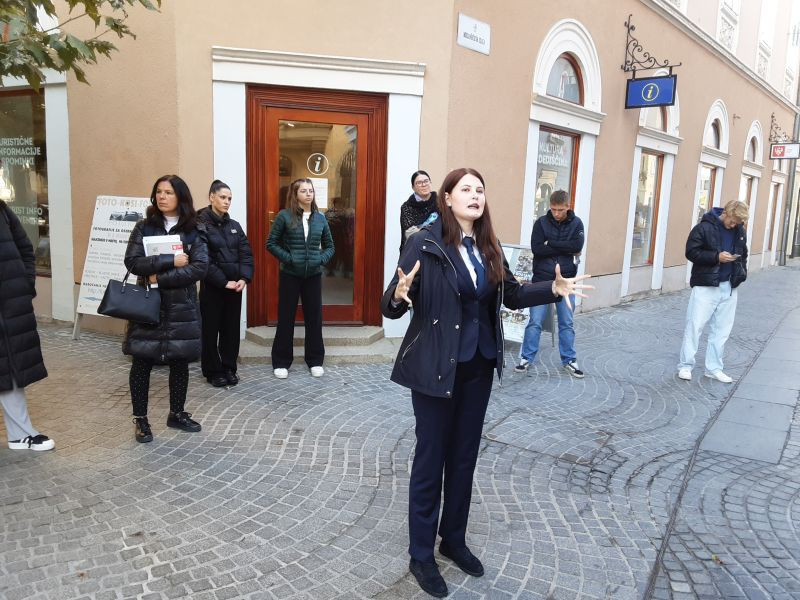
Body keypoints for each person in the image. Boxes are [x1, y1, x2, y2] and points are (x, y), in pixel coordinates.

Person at [382, 168, 592, 598]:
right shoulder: (424, 242)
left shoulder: (488, 244)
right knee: (430, 461)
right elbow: (391, 301)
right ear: (447, 197)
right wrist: (399, 296)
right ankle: (421, 555)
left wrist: (553, 290)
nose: (475, 195)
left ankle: (453, 539)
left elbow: (511, 294)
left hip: (478, 365)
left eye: (480, 189)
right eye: (466, 189)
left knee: (463, 459)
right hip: (436, 367)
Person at [123, 175, 209, 443]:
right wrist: (171, 259)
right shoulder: (144, 227)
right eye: (158, 192)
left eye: (168, 192)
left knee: (179, 360)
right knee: (142, 361)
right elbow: (133, 262)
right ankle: (141, 419)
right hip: (148, 305)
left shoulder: (195, 229)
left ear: (180, 196)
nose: (162, 197)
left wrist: (159, 278)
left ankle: (177, 414)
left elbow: (199, 268)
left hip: (182, 306)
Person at [266, 178, 334, 379]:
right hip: (290, 275)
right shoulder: (284, 216)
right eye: (303, 191)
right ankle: (281, 361)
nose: (308, 194)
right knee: (286, 317)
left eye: (310, 190)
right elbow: (271, 243)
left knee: (314, 318)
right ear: (295, 194)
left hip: (313, 275)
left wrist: (319, 260)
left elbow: (330, 246)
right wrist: (289, 259)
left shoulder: (320, 218)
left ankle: (315, 360)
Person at [0, 200, 54, 451]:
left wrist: (25, 285)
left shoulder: (2, 210)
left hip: (11, 304)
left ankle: (20, 434)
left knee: (9, 368)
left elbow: (24, 247)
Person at [515, 190, 585, 378]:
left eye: (560, 210)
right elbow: (537, 249)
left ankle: (569, 360)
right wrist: (564, 248)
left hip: (567, 281)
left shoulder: (577, 223)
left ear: (568, 207)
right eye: (553, 209)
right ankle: (526, 358)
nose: (556, 213)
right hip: (542, 280)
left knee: (566, 323)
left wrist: (551, 243)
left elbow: (577, 246)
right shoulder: (541, 223)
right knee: (534, 321)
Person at [677, 199, 749, 383]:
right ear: (726, 213)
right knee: (695, 326)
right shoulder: (703, 228)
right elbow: (691, 252)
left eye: (738, 223)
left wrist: (741, 272)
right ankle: (685, 366)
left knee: (722, 330)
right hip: (706, 285)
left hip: (729, 286)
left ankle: (714, 368)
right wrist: (716, 257)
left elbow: (744, 254)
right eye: (732, 221)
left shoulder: (740, 231)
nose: (734, 225)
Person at [197, 180, 254, 387]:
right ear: (211, 197)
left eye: (229, 198)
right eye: (222, 197)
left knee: (231, 331)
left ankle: (229, 367)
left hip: (235, 288)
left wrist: (244, 278)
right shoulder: (200, 224)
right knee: (210, 330)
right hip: (213, 287)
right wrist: (223, 282)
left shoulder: (234, 226)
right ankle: (213, 371)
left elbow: (246, 254)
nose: (227, 201)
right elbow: (203, 259)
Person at [399, 170, 438, 254]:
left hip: (437, 250)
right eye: (419, 183)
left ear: (430, 182)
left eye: (426, 181)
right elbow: (411, 234)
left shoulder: (440, 202)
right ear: (413, 187)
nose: (424, 185)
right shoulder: (407, 207)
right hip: (414, 251)